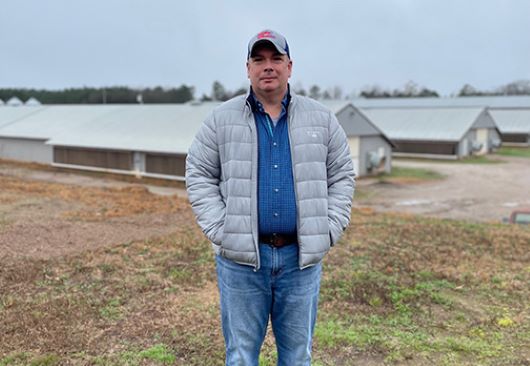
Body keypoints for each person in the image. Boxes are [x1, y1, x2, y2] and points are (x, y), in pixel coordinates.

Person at [186, 29, 355, 366]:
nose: (268, 67)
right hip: (241, 264)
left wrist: (329, 227)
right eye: (259, 60)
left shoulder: (321, 119)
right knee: (241, 356)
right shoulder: (221, 120)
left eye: (276, 59)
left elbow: (342, 176)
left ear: (290, 66)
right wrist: (222, 230)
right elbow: (199, 174)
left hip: (300, 261)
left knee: (296, 357)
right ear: (247, 68)